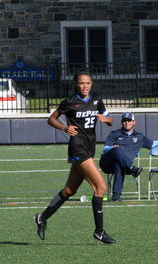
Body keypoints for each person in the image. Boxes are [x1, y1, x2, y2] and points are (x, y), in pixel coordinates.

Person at [33, 71, 116, 243]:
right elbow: (51, 119)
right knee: (100, 187)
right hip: (77, 148)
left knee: (69, 191)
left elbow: (110, 120)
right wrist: (64, 128)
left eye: (87, 83)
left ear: (91, 84)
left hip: (89, 148)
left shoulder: (97, 100)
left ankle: (42, 217)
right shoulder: (70, 101)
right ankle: (99, 231)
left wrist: (106, 119)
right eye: (81, 83)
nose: (84, 86)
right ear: (75, 84)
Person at [99, 112, 158, 201]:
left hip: (122, 166)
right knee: (117, 149)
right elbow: (105, 149)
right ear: (121, 122)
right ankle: (131, 168)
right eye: (124, 121)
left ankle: (116, 196)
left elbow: (154, 143)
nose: (126, 122)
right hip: (107, 163)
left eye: (129, 120)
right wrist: (112, 148)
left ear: (134, 122)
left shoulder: (139, 137)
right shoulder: (114, 134)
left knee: (119, 164)